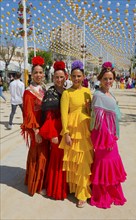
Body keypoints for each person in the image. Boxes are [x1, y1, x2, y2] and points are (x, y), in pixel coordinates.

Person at [90, 61, 127, 209]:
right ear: (100, 79)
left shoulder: (109, 93)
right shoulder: (98, 95)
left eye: (110, 78)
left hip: (111, 137)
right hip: (103, 140)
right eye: (105, 78)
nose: (108, 81)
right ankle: (101, 195)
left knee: (112, 164)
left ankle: (112, 193)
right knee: (104, 164)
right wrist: (108, 140)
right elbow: (99, 123)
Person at [59, 60, 93, 208]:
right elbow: (64, 115)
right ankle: (75, 190)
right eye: (74, 76)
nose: (76, 78)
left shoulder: (87, 91)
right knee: (74, 163)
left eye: (79, 76)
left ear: (83, 76)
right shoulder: (67, 93)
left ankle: (83, 194)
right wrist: (66, 133)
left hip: (85, 131)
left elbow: (89, 110)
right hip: (72, 132)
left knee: (84, 162)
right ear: (70, 77)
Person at [39, 61, 68, 200]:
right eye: (56, 77)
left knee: (66, 158)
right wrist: (53, 135)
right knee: (56, 158)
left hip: (67, 130)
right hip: (55, 131)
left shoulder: (68, 92)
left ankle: (66, 186)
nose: (59, 79)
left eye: (61, 77)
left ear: (66, 77)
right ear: (53, 77)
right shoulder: (50, 92)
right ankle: (54, 187)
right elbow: (48, 118)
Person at [21, 56, 49, 196]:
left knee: (42, 154)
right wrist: (36, 130)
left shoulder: (42, 88)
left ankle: (38, 180)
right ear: (31, 73)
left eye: (41, 72)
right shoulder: (28, 92)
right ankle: (36, 185)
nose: (38, 75)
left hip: (44, 127)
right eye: (36, 72)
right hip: (36, 128)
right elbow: (29, 114)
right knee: (38, 155)